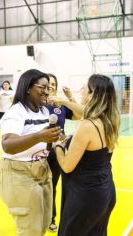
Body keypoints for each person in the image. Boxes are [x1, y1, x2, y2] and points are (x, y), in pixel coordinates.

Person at [53, 74, 120, 236]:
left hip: (86, 197)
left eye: (84, 88)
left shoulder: (87, 125)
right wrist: (64, 100)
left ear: (92, 95)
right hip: (105, 191)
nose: (81, 91)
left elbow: (67, 166)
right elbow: (84, 111)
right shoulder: (109, 118)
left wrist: (58, 146)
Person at [0, 69, 61, 236]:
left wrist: (53, 140)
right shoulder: (16, 112)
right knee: (30, 230)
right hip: (19, 173)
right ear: (28, 88)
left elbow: (44, 143)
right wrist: (39, 136)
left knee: (43, 224)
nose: (47, 91)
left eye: (49, 87)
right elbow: (8, 145)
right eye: (43, 87)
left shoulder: (44, 111)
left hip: (42, 169)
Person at [45, 74, 81, 232]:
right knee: (37, 187)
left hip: (56, 151)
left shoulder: (61, 104)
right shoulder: (36, 103)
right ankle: (39, 216)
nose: (51, 86)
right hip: (38, 151)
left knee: (52, 186)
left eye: (53, 83)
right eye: (48, 83)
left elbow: (79, 115)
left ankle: (51, 218)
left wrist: (70, 97)